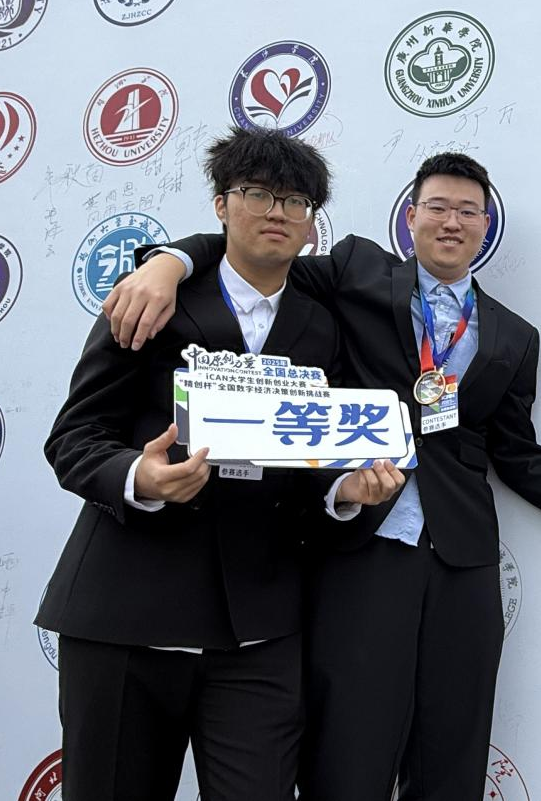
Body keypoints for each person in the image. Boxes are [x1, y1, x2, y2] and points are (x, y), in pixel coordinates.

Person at [103, 152, 541, 800]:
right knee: (351, 745)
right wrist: (169, 262)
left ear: (486, 226)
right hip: (361, 545)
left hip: (462, 558)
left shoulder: (515, 336)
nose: (452, 221)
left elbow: (518, 455)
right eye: (438, 207)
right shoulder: (357, 269)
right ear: (410, 218)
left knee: (453, 746)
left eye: (468, 211)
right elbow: (257, 253)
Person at [35, 128, 403, 801]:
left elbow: (310, 456)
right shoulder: (153, 299)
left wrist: (345, 489)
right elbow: (75, 436)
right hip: (125, 616)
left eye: (295, 201)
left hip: (258, 630)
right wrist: (138, 478)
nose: (276, 212)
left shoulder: (323, 326)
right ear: (221, 204)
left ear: (312, 223)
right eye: (257, 193)